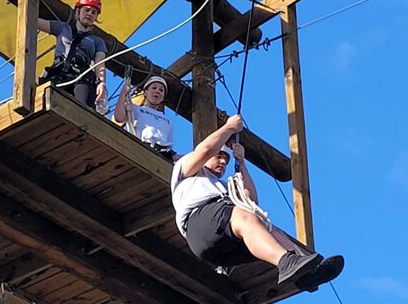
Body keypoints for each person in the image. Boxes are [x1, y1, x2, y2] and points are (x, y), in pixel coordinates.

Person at [171, 114, 344, 288]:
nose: (223, 161)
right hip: (200, 226)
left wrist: (241, 163)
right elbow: (205, 150)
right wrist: (229, 127)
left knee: (268, 227)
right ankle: (286, 262)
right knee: (243, 215)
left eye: (226, 159)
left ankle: (307, 272)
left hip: (222, 247)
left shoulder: (223, 187)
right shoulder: (187, 169)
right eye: (219, 156)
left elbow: (251, 200)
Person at [37, 0, 108, 110]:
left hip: (81, 76)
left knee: (81, 106)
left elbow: (100, 64)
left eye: (94, 12)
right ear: (78, 11)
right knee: (48, 102)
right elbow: (34, 21)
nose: (90, 14)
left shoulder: (97, 41)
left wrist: (101, 83)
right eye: (87, 10)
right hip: (59, 73)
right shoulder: (63, 28)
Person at [113, 74, 174, 158]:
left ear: (163, 97)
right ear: (145, 92)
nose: (157, 91)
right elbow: (119, 118)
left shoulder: (167, 121)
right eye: (154, 88)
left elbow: (169, 145)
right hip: (142, 148)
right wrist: (123, 94)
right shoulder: (135, 109)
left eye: (161, 90)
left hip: (162, 155)